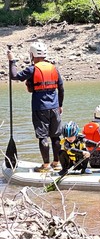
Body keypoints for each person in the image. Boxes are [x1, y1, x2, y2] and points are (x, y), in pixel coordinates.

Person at [7, 41, 64, 172]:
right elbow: (61, 88)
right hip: (55, 107)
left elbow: (14, 76)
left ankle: (46, 165)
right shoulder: (53, 68)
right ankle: (57, 163)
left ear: (32, 55)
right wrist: (60, 105)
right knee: (55, 136)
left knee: (43, 137)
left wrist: (12, 61)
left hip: (40, 108)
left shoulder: (32, 69)